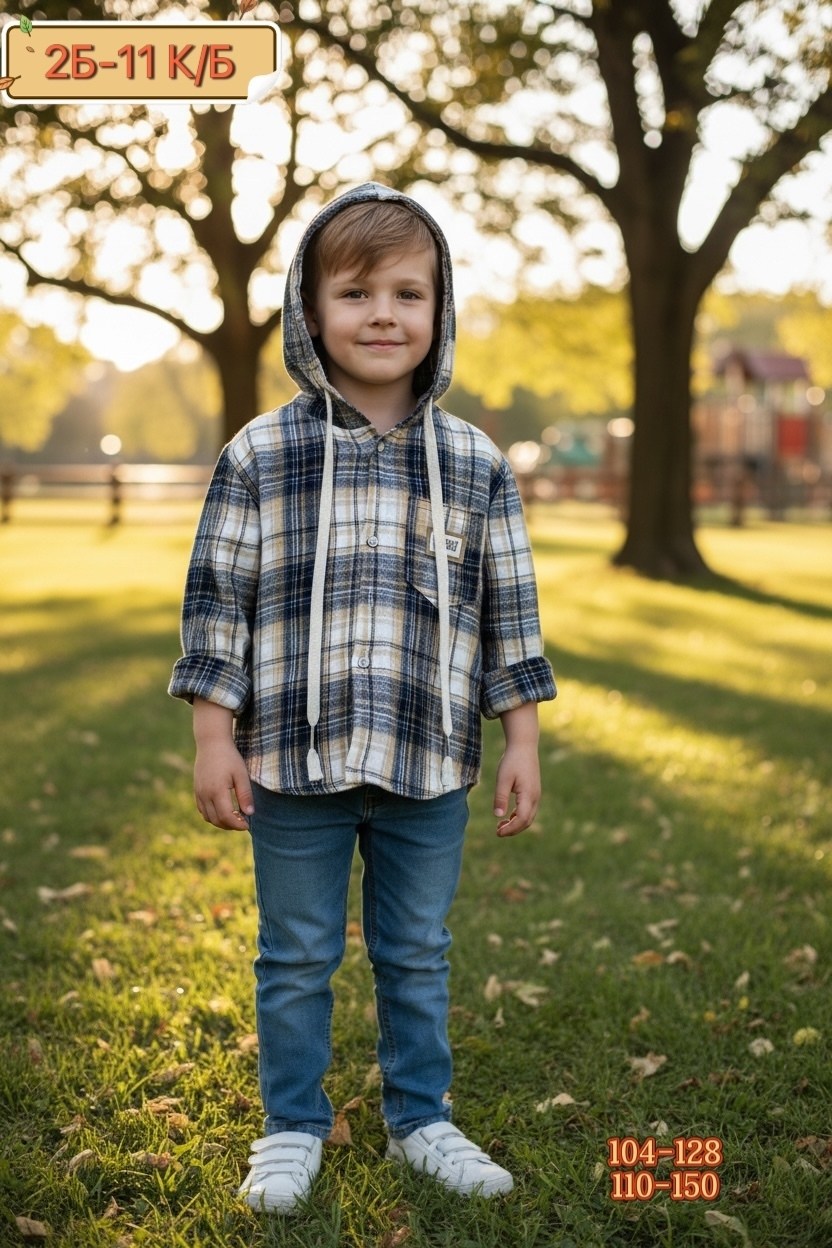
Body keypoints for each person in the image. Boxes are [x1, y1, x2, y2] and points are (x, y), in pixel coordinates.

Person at [169, 182, 556, 1214]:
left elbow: (508, 609)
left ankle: (419, 1119)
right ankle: (291, 1125)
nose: (383, 314)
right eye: (355, 293)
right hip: (293, 766)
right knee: (294, 955)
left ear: (440, 312)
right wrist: (216, 737)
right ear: (309, 310)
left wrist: (519, 737)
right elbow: (217, 606)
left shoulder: (474, 463)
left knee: (416, 953)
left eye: (407, 293)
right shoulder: (260, 454)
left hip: (431, 763)